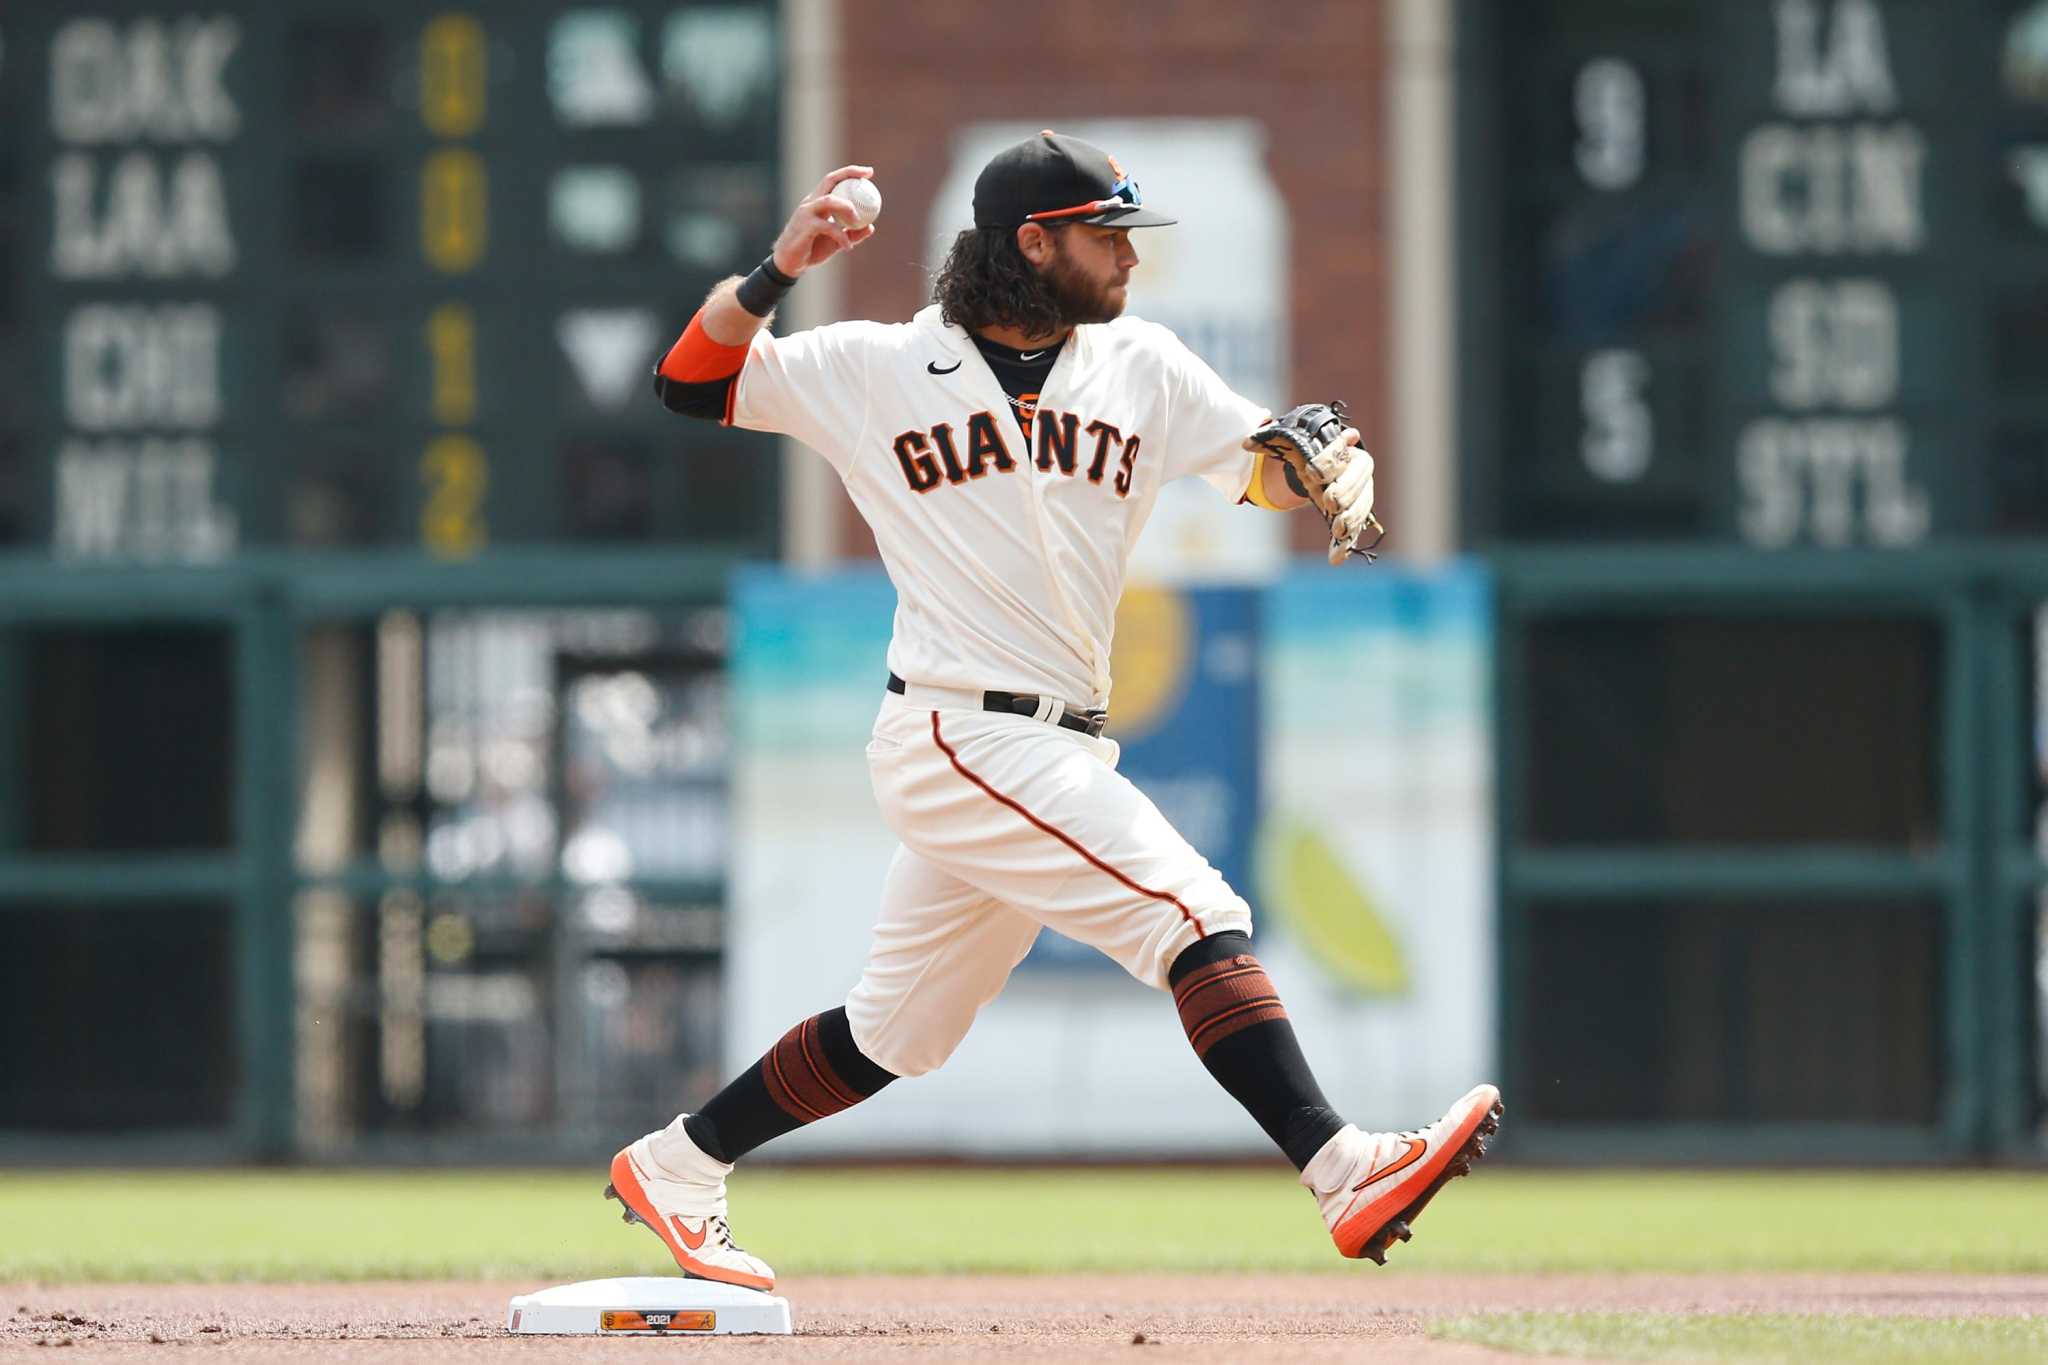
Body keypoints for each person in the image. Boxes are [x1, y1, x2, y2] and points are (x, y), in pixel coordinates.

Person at [606, 131, 1501, 1290]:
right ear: (1034, 242)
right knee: (1190, 909)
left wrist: (1318, 469)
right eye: (1105, 235)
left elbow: (1261, 462)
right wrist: (778, 269)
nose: (1128, 259)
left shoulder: (1143, 367)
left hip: (1053, 734)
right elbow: (692, 382)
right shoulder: (875, 366)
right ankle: (1340, 1165)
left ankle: (676, 1165)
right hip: (955, 727)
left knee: (896, 1034)